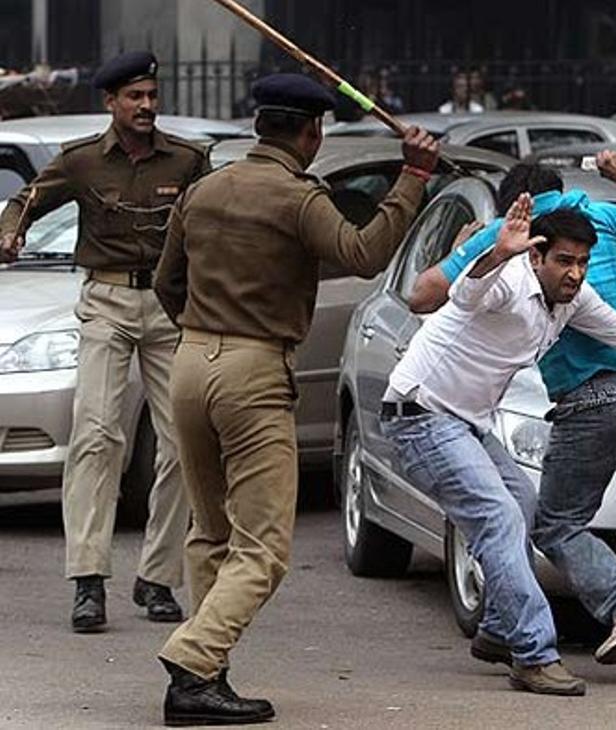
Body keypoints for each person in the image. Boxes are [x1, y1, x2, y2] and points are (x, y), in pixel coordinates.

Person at [151, 73, 437, 725]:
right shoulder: (298, 196)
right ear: (312, 133)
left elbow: (167, 281)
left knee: (211, 531)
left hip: (191, 359)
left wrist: (203, 331)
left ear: (259, 125)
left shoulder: (203, 190)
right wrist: (412, 176)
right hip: (253, 370)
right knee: (265, 547)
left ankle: (203, 678)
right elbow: (364, 255)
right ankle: (195, 658)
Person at [384, 195, 616, 695]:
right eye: (564, 261)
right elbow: (467, 296)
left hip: (466, 423)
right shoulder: (509, 282)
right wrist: (496, 254)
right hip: (420, 417)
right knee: (500, 518)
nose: (575, 274)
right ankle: (533, 653)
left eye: (583, 262)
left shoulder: (573, 300)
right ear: (535, 257)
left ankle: (498, 631)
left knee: (525, 506)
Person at [0, 51, 209, 632]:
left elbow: (213, 221)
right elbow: (26, 200)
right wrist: (10, 232)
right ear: (110, 103)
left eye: (151, 95)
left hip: (169, 308)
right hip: (107, 303)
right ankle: (88, 580)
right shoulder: (83, 161)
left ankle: (159, 577)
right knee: (96, 433)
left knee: (180, 442)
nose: (146, 106)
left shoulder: (189, 160)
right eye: (134, 97)